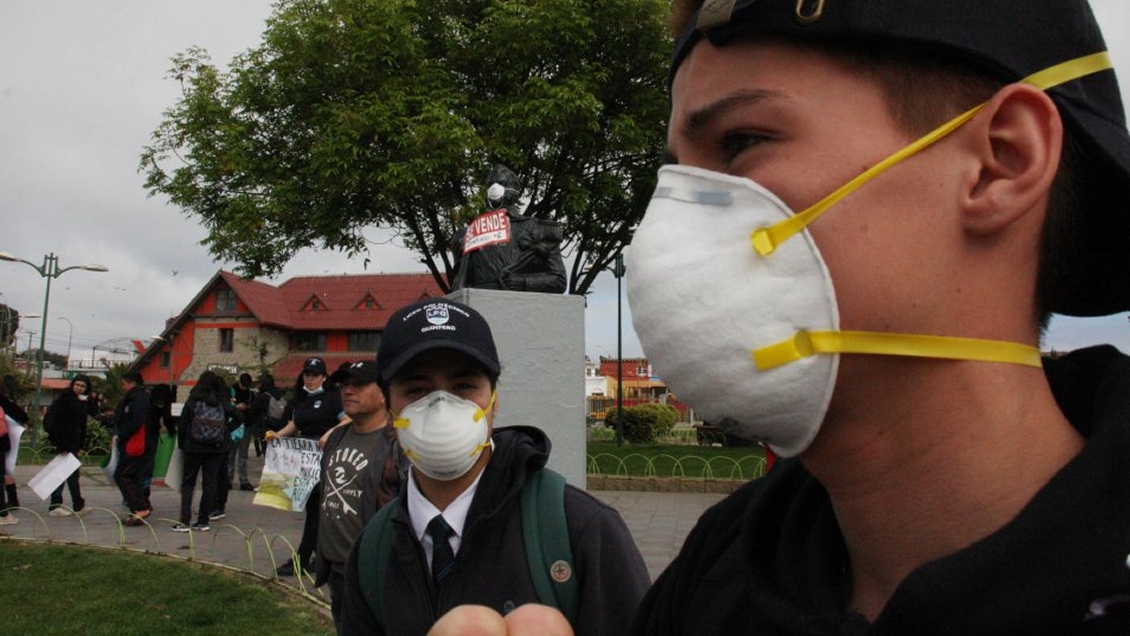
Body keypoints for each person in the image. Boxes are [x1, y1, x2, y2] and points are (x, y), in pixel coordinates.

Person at [617, 1, 1130, 633]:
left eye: (740, 142)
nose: (666, 231)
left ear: (1002, 162)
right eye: (676, 171)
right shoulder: (719, 568)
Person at [338, 298, 649, 635]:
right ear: (389, 406)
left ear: (495, 401)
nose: (441, 407)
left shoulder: (581, 530)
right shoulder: (373, 551)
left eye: (463, 386)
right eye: (417, 389)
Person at [314, 359, 405, 630]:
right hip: (338, 571)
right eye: (344, 384)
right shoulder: (336, 439)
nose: (348, 390)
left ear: (383, 393)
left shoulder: (399, 443)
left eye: (359, 384)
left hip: (377, 573)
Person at [267, 356, 349, 576]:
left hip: (324, 458)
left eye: (314, 375)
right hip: (303, 460)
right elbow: (295, 424)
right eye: (307, 374)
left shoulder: (333, 398)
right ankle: (320, 556)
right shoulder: (301, 399)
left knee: (316, 510)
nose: (310, 379)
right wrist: (277, 435)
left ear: (323, 377)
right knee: (311, 509)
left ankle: (302, 559)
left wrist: (329, 434)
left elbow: (346, 420)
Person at [451, 164, 567, 294]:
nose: (494, 188)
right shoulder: (467, 235)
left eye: (502, 183)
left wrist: (523, 282)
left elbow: (559, 280)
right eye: (490, 184)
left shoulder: (538, 229)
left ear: (516, 189)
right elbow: (459, 283)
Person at [172, 370, 240, 532]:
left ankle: (184, 521)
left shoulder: (192, 402)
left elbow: (182, 426)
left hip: (193, 447)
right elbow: (239, 417)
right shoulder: (222, 403)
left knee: (188, 484)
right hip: (216, 448)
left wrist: (183, 444)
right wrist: (225, 430)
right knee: (210, 484)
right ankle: (203, 520)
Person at [44, 374, 91, 516]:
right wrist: (61, 444)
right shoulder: (64, 400)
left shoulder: (81, 402)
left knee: (67, 473)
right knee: (68, 474)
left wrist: (80, 445)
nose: (79, 388)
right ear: (72, 385)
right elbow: (53, 422)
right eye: (77, 385)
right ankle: (68, 504)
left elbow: (81, 426)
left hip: (74, 443)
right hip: (65, 443)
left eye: (83, 386)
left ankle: (69, 503)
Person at [114, 371, 153, 526]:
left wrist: (121, 434)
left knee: (123, 475)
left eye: (124, 384)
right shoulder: (134, 398)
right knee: (132, 476)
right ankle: (139, 505)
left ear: (132, 383)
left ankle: (140, 507)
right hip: (132, 442)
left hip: (135, 443)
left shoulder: (139, 399)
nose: (123, 387)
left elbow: (136, 421)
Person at [0, 375, 28, 517]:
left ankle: (10, 501)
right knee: (4, 471)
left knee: (3, 472)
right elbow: (22, 416)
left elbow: (21, 415)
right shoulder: (4, 399)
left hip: (1, 440)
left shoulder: (2, 400)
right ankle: (12, 499)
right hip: (3, 440)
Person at [228, 373, 256, 490]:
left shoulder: (251, 393)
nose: (245, 388)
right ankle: (228, 479)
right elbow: (226, 406)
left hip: (246, 425)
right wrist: (236, 407)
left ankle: (243, 480)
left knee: (243, 455)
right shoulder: (231, 391)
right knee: (230, 455)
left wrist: (248, 407)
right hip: (233, 426)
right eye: (243, 385)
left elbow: (255, 407)